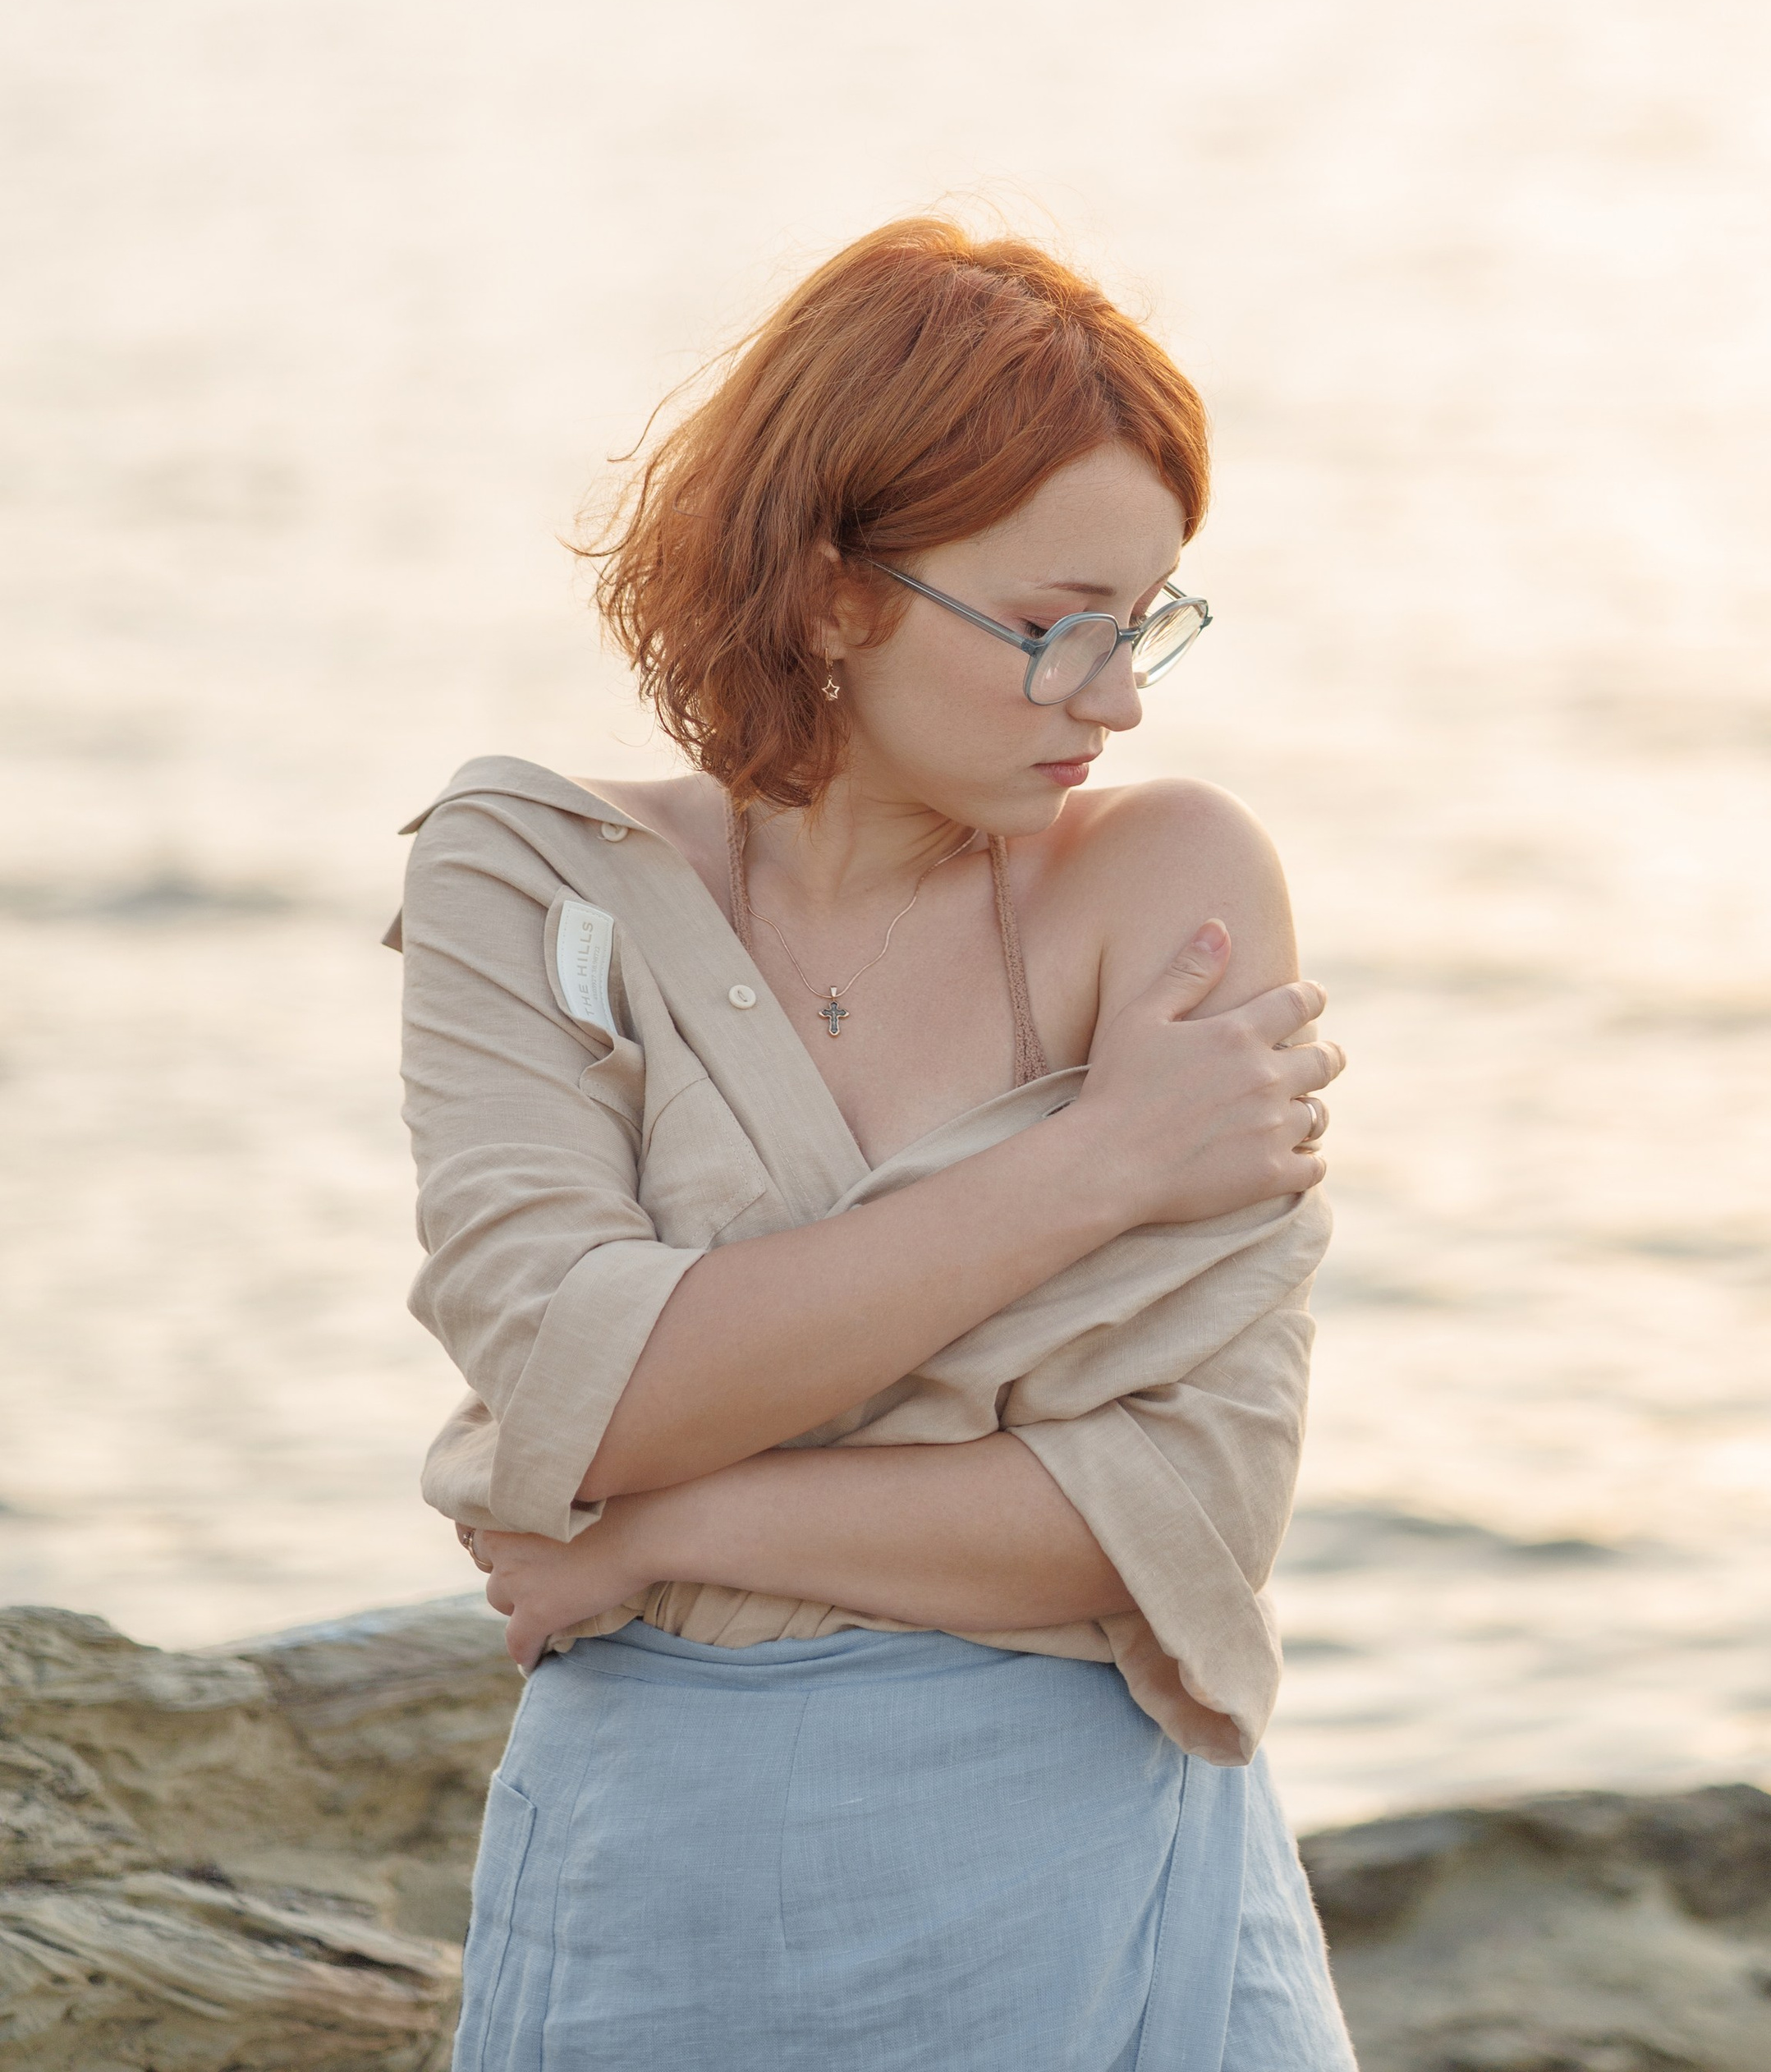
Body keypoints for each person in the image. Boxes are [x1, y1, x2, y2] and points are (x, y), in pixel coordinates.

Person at [394, 218, 1356, 2070]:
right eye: (1056, 628)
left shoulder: (1169, 880)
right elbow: (574, 1387)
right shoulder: (531, 873)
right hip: (664, 1889)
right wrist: (1097, 1164)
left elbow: (1187, 1509)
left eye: (1147, 622)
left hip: (1096, 1879)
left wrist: (661, 1523)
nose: (1116, 698)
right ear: (834, 594)